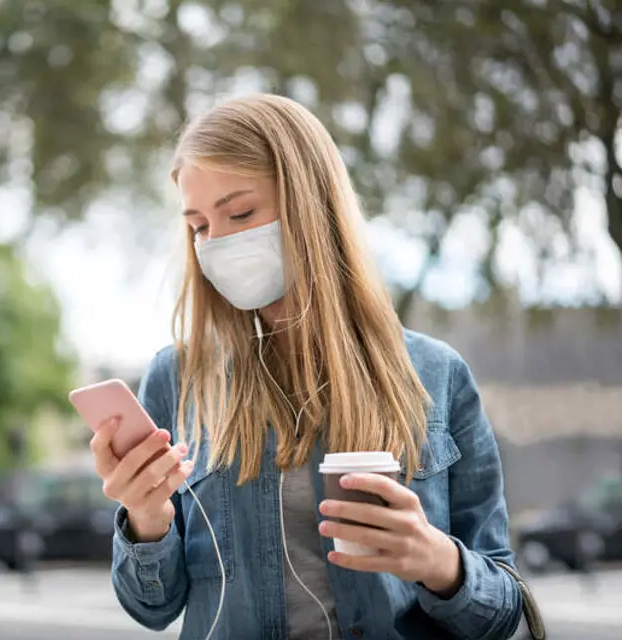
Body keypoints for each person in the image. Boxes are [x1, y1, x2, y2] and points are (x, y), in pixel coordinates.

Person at [87, 94, 525, 639]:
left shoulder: (436, 375)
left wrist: (438, 562)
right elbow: (151, 609)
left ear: (310, 203)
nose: (217, 242)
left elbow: (504, 612)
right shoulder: (177, 380)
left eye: (241, 213)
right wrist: (145, 520)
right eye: (199, 226)